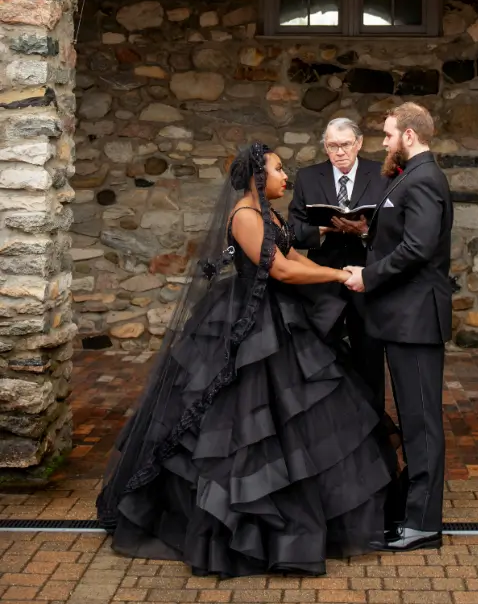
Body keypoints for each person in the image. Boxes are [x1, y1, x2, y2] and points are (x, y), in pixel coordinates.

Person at [96, 142, 392, 579]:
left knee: (297, 413)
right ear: (258, 176)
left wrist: (342, 270)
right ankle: (237, 517)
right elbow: (281, 271)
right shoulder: (245, 216)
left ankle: (302, 510)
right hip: (248, 323)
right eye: (277, 169)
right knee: (243, 417)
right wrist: (342, 275)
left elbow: (293, 257)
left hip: (282, 317)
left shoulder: (269, 215)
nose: (285, 176)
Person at [345, 103, 452, 553]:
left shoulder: (425, 178)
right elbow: (401, 235)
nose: (383, 142)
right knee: (412, 421)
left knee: (422, 422)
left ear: (409, 135)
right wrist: (367, 232)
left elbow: (418, 247)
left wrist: (368, 276)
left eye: (388, 134)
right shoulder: (409, 175)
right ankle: (409, 512)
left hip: (416, 321)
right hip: (401, 318)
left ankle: (424, 524)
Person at [288, 118, 387, 414]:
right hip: (323, 280)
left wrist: (364, 231)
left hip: (366, 277)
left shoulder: (381, 175)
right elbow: (293, 229)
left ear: (358, 144)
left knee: (369, 358)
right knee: (320, 355)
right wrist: (324, 230)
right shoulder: (308, 177)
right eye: (332, 145)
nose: (339, 151)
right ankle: (325, 424)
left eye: (345, 145)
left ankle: (373, 432)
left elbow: (393, 229)